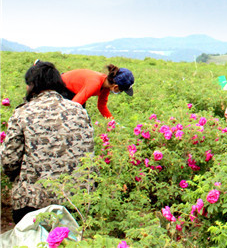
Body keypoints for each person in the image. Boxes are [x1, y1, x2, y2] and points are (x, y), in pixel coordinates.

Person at [1, 61, 94, 224]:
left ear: (32, 85)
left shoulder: (23, 113)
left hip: (35, 204)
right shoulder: (80, 111)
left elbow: (8, 161)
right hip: (77, 202)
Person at [62, 64, 135, 120]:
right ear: (115, 87)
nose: (119, 92)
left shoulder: (106, 86)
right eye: (120, 91)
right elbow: (74, 105)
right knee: (73, 115)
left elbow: (102, 106)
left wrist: (112, 123)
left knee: (80, 115)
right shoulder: (94, 84)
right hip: (61, 87)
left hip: (75, 91)